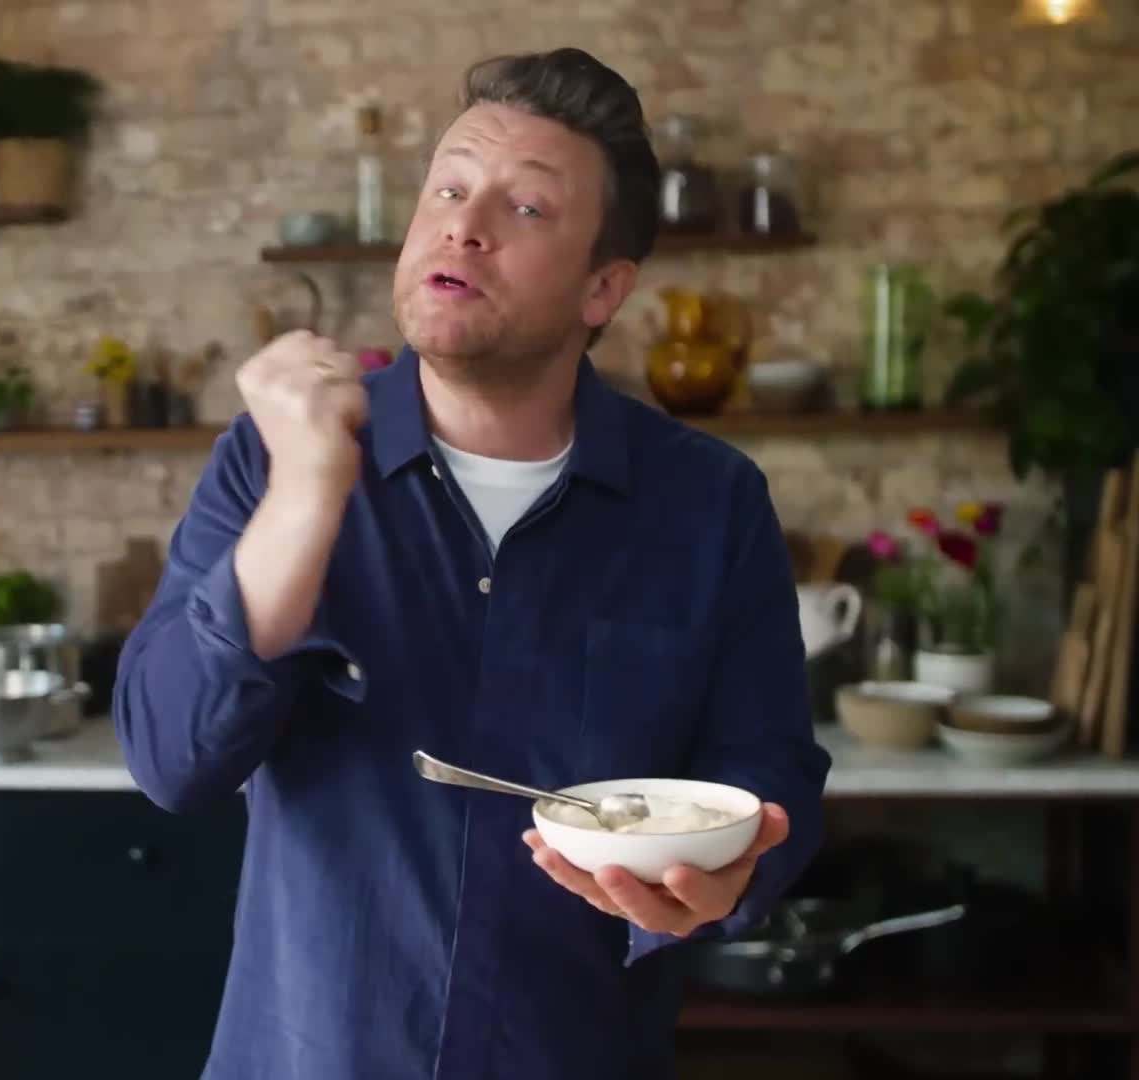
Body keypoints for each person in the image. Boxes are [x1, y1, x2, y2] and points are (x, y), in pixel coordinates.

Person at [113, 47, 832, 1080]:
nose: (464, 225)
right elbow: (171, 758)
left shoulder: (710, 504)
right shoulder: (273, 459)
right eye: (447, 189)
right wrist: (306, 495)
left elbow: (771, 777)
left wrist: (731, 879)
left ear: (603, 288)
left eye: (525, 207)